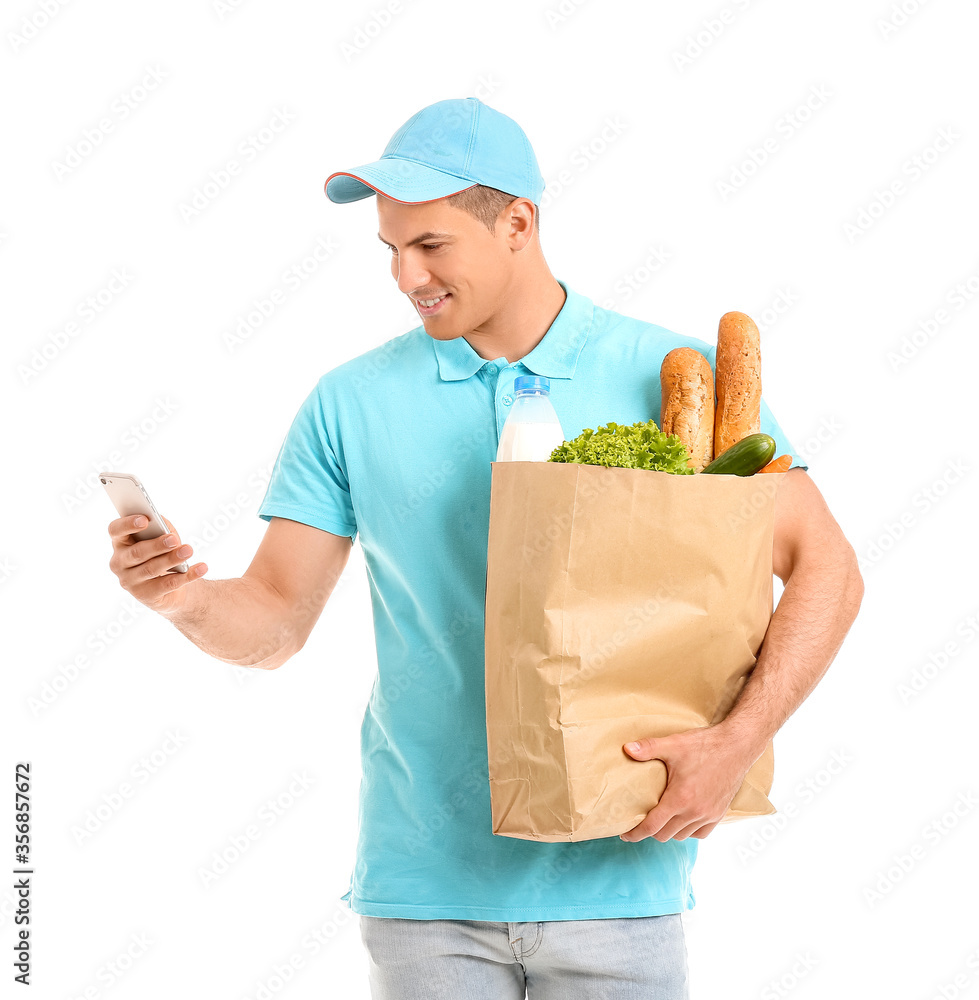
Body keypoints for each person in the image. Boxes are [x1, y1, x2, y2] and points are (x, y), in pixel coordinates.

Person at [107, 97, 864, 999]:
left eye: (429, 245)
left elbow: (827, 567)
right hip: (423, 890)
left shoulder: (673, 378)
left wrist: (738, 743)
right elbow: (274, 626)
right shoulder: (350, 401)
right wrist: (181, 598)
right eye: (389, 249)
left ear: (516, 223)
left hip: (619, 875)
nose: (404, 275)